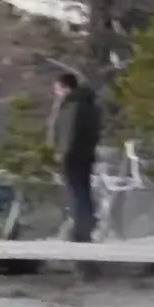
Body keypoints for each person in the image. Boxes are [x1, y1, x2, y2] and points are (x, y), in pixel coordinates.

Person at [52, 73, 102, 278]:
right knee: (82, 191)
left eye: (57, 88)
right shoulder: (89, 104)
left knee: (76, 193)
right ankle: (84, 227)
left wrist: (63, 153)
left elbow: (69, 132)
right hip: (85, 154)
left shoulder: (73, 106)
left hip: (73, 156)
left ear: (64, 87)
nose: (55, 92)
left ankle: (81, 231)